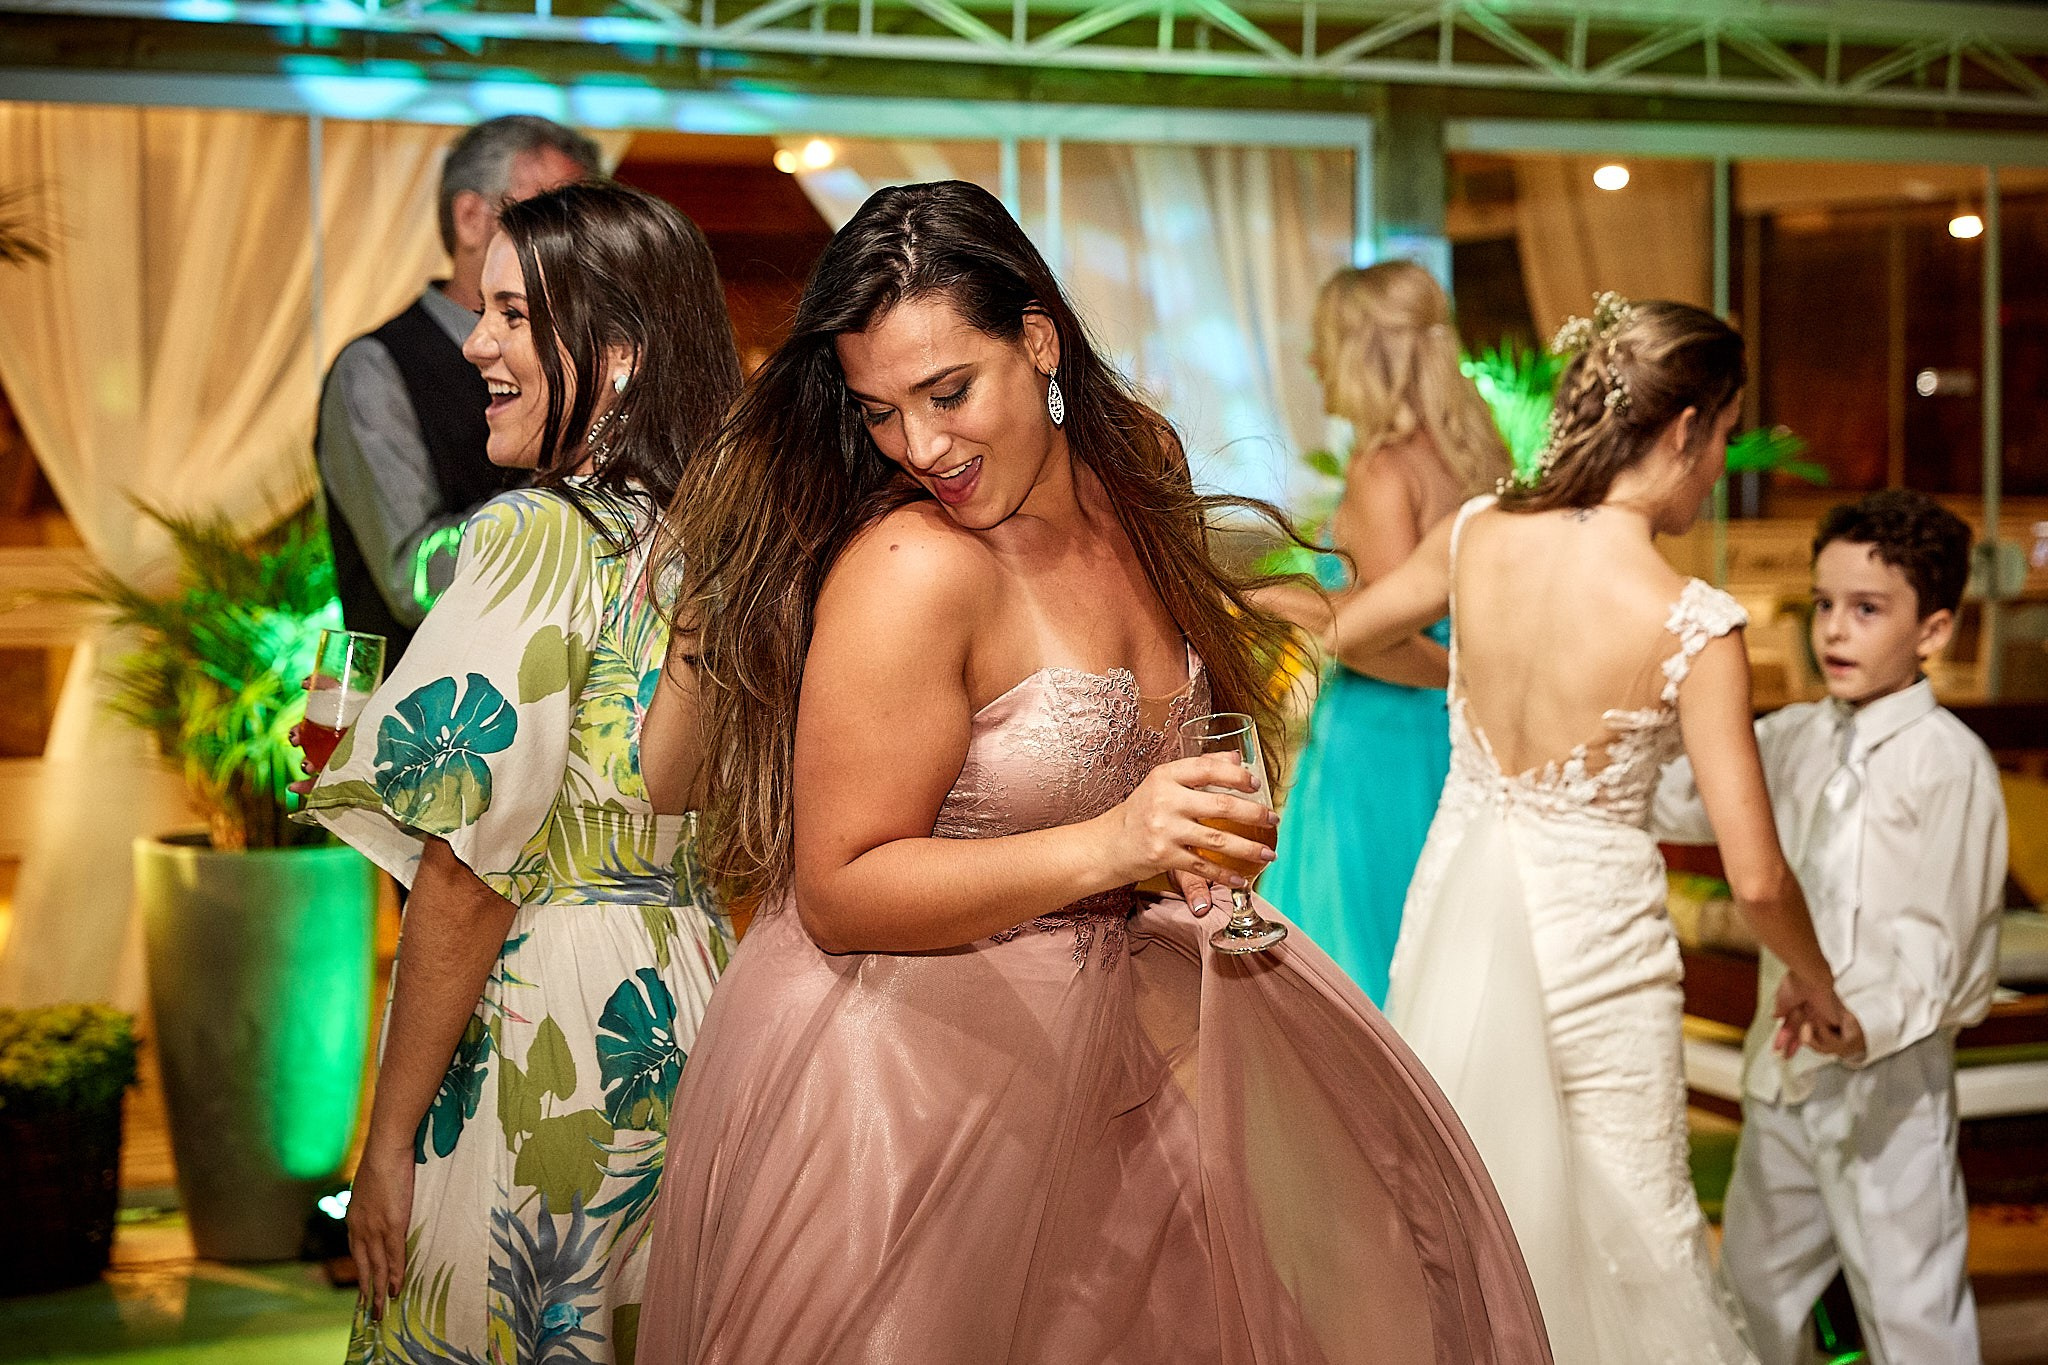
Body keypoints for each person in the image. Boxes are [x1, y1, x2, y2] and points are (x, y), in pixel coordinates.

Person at [631, 180, 1549, 1364]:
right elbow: (842, 887)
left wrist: (1190, 827)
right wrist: (1113, 843)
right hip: (914, 1080)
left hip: (1122, 1045)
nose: (920, 448)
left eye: (947, 393)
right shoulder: (911, 569)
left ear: (1039, 339)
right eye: (879, 414)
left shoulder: (1137, 479)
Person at [1333, 293, 1855, 1364]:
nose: (1716, 468)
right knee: (1635, 1227)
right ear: (1680, 429)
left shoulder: (1477, 532)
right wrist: (1814, 979)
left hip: (1457, 911)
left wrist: (1455, 679)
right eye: (1719, 436)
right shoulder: (1690, 623)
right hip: (1595, 948)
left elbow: (1343, 633)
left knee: (1466, 1199)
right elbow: (1753, 877)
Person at [303, 182, 744, 1364]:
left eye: (510, 314)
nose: (477, 344)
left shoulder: (533, 536)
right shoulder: (718, 536)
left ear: (613, 357)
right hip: (690, 998)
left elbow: (467, 876)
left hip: (543, 1011)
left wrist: (386, 1140)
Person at [1653, 490, 2006, 1365]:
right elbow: (1682, 798)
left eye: (1866, 609)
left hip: (1892, 1097)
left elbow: (1945, 944)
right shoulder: (1793, 736)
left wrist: (1860, 1017)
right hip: (1783, 1084)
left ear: (1934, 630)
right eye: (1821, 606)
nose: (1834, 631)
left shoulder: (1951, 765)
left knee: (1912, 1310)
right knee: (1749, 1299)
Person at [1261, 261, 1510, 1005]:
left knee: (1355, 980)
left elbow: (1381, 638)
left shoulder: (1381, 470)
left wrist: (1265, 599)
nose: (1312, 363)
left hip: (1377, 746)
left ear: (1361, 352)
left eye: (1323, 343)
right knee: (1438, 966)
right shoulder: (1479, 461)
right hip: (1455, 743)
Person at [316, 115, 601, 668]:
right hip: (427, 723)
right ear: (472, 218)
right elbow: (410, 578)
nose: (574, 240)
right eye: (550, 215)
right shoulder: (376, 367)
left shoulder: (572, 359)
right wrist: (563, 506)